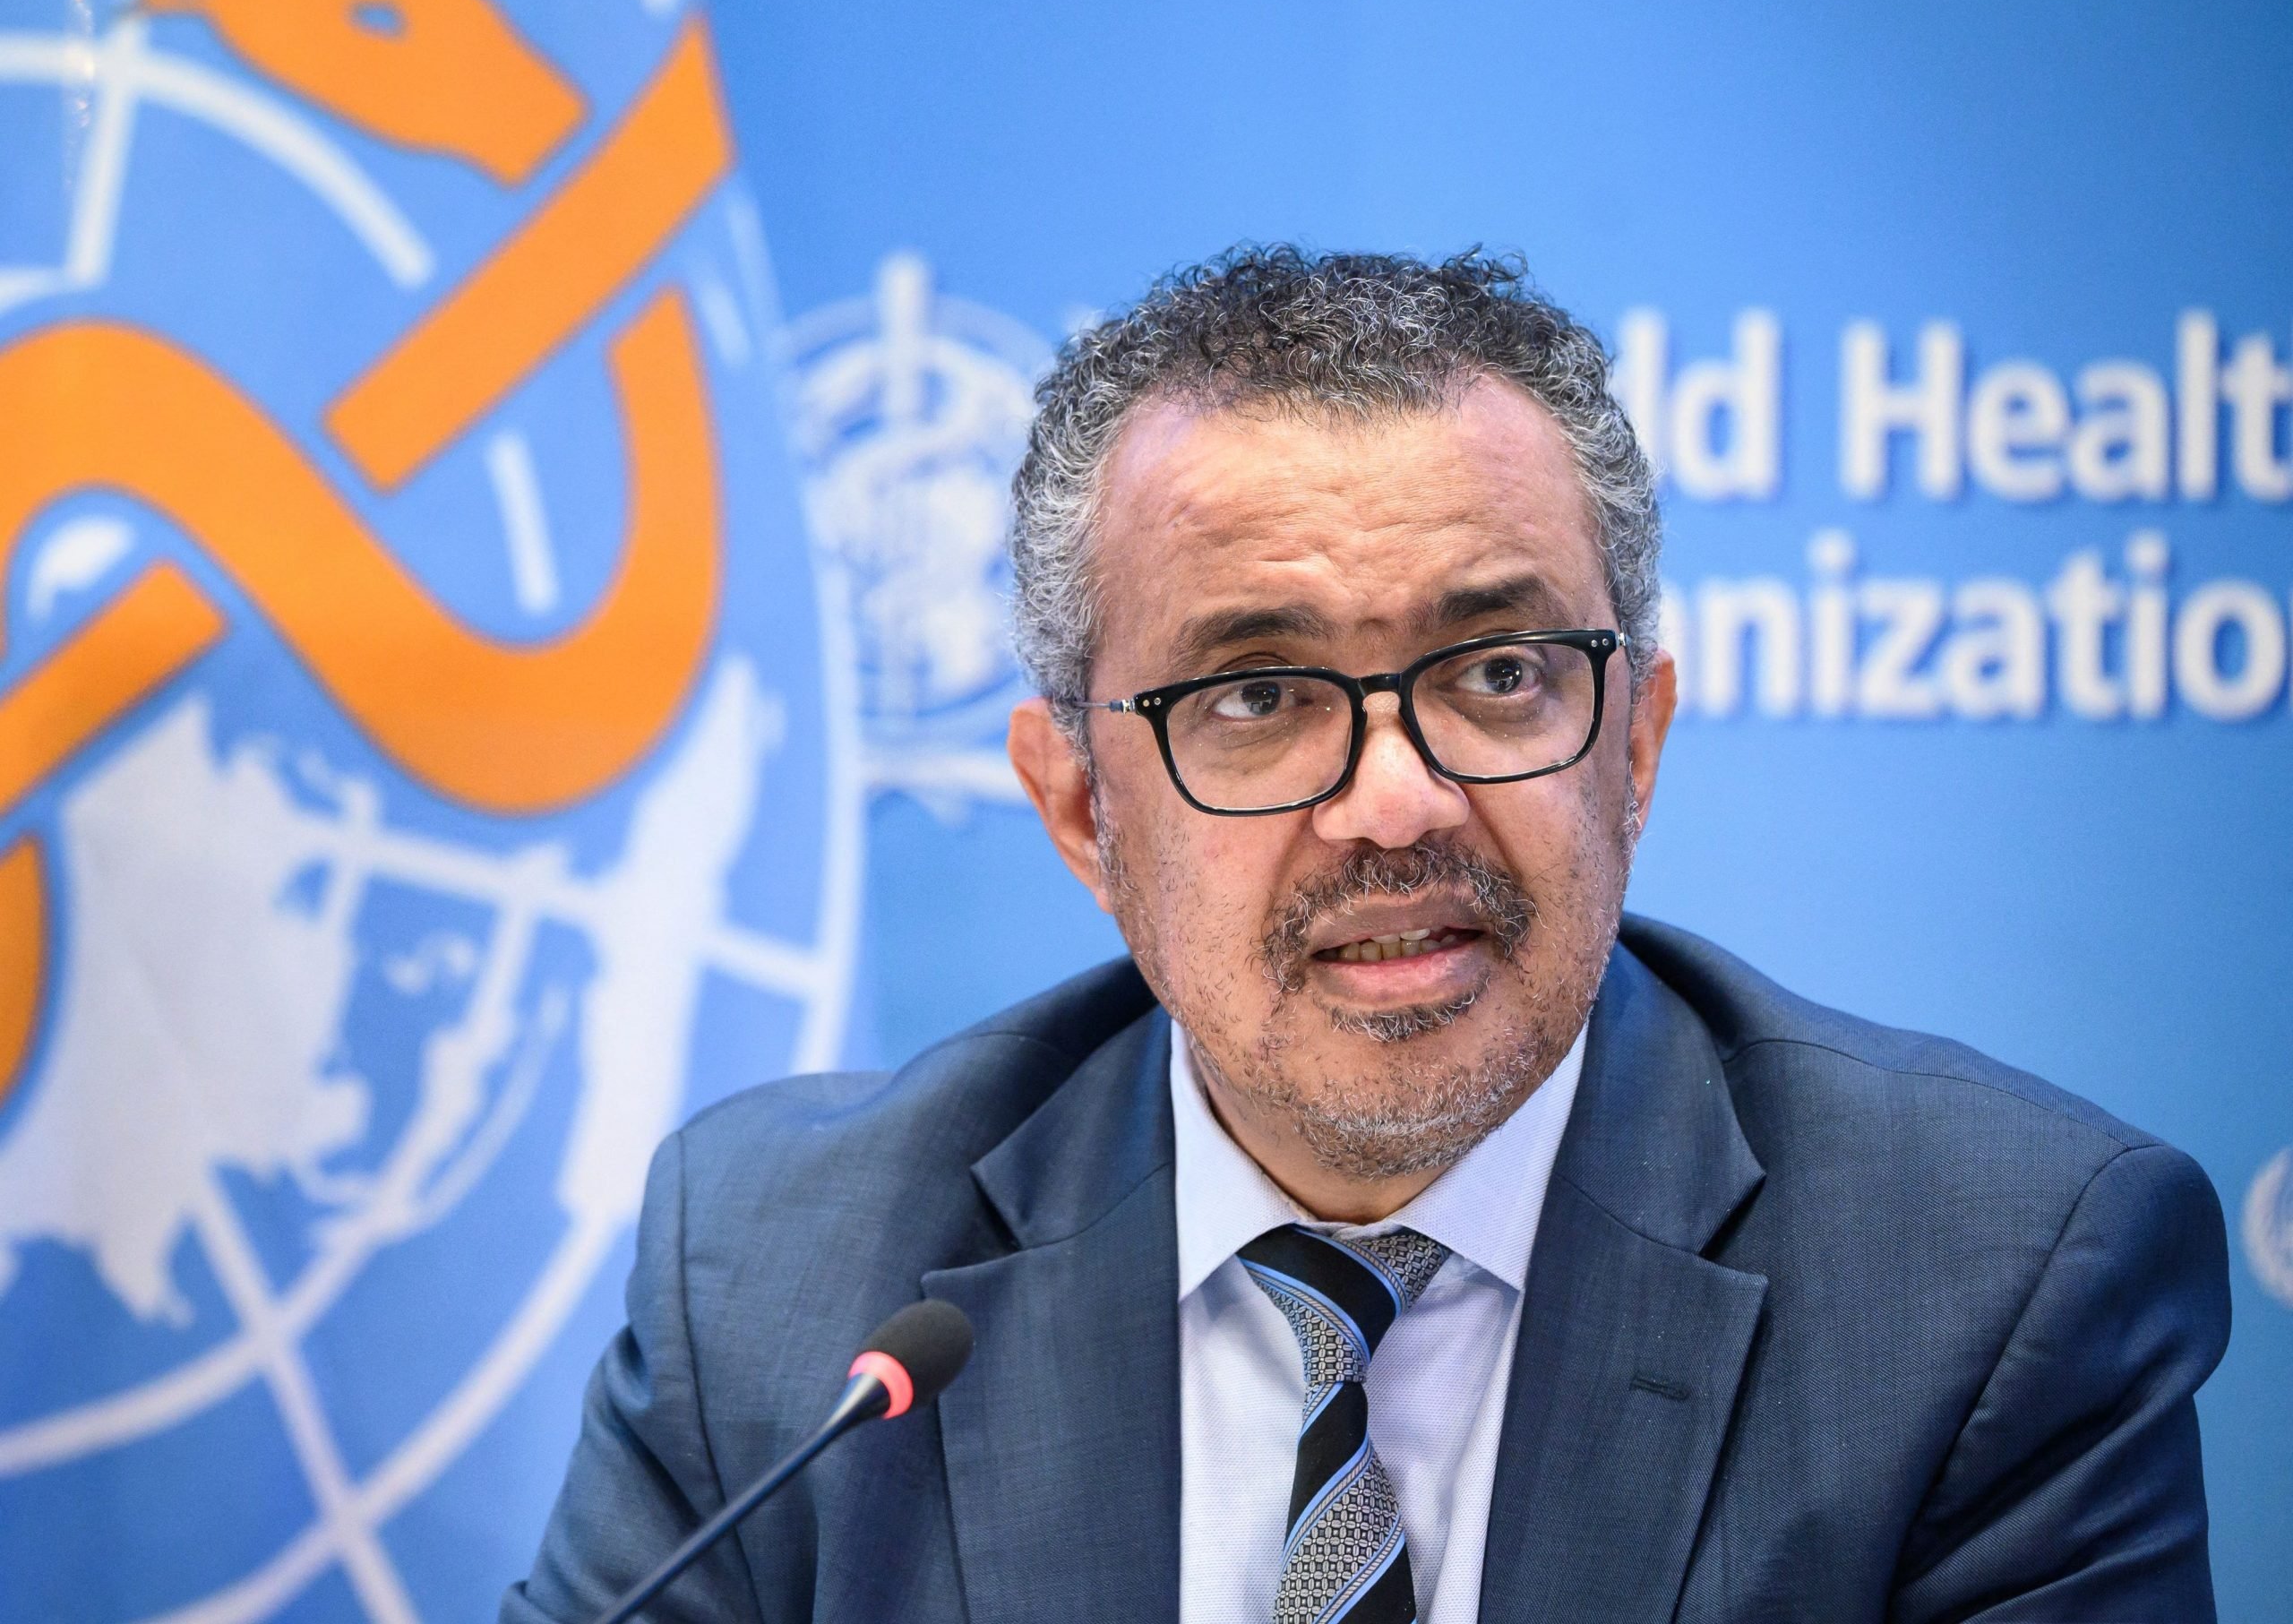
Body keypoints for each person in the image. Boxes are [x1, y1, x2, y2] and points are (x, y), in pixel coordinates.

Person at [503, 248, 2230, 1624]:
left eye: (1497, 674)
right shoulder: (776, 1295)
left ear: (1637, 745)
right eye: (1257, 695)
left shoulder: (1991, 1292)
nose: (1395, 804)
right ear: (1082, 810)